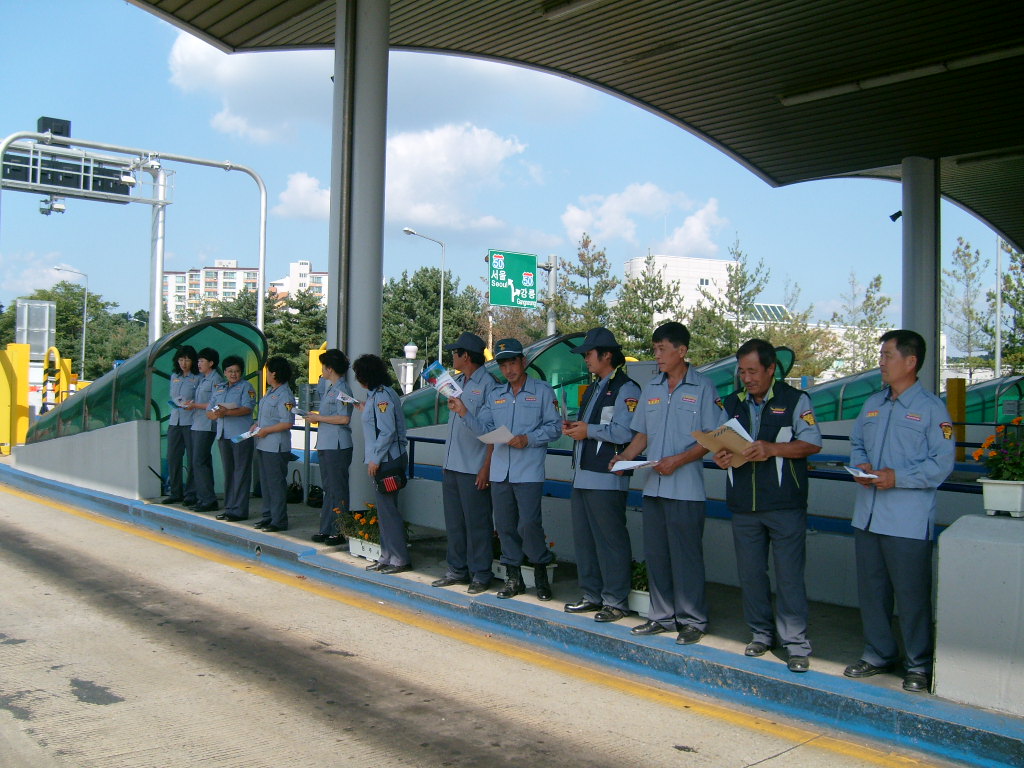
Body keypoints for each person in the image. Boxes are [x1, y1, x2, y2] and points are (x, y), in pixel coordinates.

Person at [843, 330, 955, 693]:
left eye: (887, 355)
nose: (881, 362)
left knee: (911, 596)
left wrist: (898, 477)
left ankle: (918, 664)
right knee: (872, 592)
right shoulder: (873, 404)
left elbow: (942, 464)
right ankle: (878, 653)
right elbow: (857, 442)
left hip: (907, 521)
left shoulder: (932, 409)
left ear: (911, 361)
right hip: (868, 516)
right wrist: (861, 465)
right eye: (881, 355)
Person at [611, 321, 724, 645]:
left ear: (682, 350)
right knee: (657, 555)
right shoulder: (652, 388)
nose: (657, 356)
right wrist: (624, 457)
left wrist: (679, 460)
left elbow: (713, 438)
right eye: (655, 349)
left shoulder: (703, 388)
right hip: (654, 488)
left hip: (686, 489)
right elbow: (642, 435)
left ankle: (692, 620)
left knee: (686, 558)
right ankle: (661, 616)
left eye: (662, 349)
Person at [712, 339, 821, 672]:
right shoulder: (732, 403)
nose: (747, 378)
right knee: (751, 574)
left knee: (789, 577)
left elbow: (812, 442)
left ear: (771, 369)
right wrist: (721, 457)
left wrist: (772, 449)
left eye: (753, 371)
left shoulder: (795, 400)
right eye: (742, 372)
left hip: (784, 504)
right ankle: (761, 633)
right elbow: (721, 445)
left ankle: (796, 644)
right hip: (744, 504)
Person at [450, 338, 562, 601]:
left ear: (523, 361)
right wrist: (464, 412)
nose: (508, 370)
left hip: (528, 471)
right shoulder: (496, 395)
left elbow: (555, 427)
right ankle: (514, 579)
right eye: (503, 365)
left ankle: (540, 573)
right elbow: (484, 430)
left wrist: (528, 438)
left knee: (529, 525)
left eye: (512, 363)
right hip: (501, 472)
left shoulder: (542, 391)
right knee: (505, 526)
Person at [562, 327, 640, 623]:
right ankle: (591, 594)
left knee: (610, 541)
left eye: (589, 354)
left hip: (607, 477)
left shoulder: (627, 388)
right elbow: (593, 427)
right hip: (583, 474)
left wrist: (588, 430)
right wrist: (575, 428)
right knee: (585, 541)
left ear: (607, 355)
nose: (586, 359)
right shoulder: (595, 387)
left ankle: (615, 601)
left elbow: (625, 432)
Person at [433, 332, 496, 594]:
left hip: (474, 466)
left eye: (455, 353)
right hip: (452, 464)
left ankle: (481, 573)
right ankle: (457, 569)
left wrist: (486, 467)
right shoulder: (457, 382)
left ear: (466, 356)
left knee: (478, 524)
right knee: (455, 523)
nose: (452, 357)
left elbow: (492, 432)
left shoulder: (490, 385)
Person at [354, 354, 411, 574]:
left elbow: (387, 431)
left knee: (389, 511)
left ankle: (399, 558)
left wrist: (375, 460)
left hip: (387, 460)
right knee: (385, 511)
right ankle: (387, 556)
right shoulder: (379, 395)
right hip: (386, 458)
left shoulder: (382, 396)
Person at [304, 349, 354, 545]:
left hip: (337, 444)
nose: (322, 371)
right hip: (327, 442)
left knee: (337, 488)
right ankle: (326, 528)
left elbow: (344, 418)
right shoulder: (330, 388)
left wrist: (319, 418)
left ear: (330, 368)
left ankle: (340, 530)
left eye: (324, 367)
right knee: (329, 488)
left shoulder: (343, 390)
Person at [208, 355, 256, 522]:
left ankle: (239, 510)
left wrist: (226, 412)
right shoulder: (220, 388)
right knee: (229, 472)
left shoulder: (246, 387)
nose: (233, 374)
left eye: (236, 371)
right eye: (230, 371)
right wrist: (214, 414)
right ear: (225, 372)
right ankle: (229, 508)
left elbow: (247, 408)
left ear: (241, 372)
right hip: (223, 435)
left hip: (240, 435)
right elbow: (209, 410)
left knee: (241, 472)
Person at [253, 356, 297, 532]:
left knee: (276, 484)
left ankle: (279, 520)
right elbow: (267, 417)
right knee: (265, 483)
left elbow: (287, 422)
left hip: (276, 446)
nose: (267, 375)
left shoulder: (285, 394)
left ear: (274, 373)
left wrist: (266, 430)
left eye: (268, 371)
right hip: (264, 444)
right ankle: (268, 516)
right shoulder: (271, 392)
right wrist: (257, 425)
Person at [186, 348, 224, 513]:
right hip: (197, 423)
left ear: (211, 363)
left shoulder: (216, 379)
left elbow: (215, 403)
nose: (198, 364)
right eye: (198, 361)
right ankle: (203, 498)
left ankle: (208, 499)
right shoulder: (203, 379)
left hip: (206, 425)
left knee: (199, 461)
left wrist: (195, 405)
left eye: (202, 361)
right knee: (200, 462)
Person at [163, 345, 200, 506]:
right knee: (173, 457)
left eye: (187, 360)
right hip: (175, 421)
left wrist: (192, 404)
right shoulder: (174, 376)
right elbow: (173, 396)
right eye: (181, 359)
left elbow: (202, 399)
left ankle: (191, 493)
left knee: (192, 458)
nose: (184, 363)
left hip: (191, 421)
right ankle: (175, 492)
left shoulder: (197, 378)